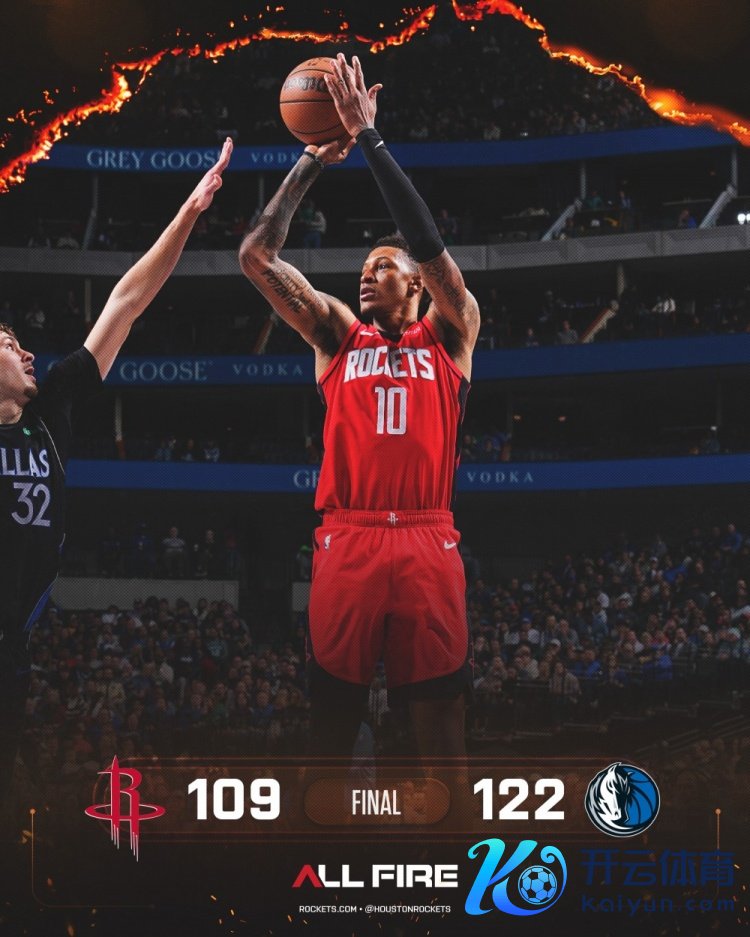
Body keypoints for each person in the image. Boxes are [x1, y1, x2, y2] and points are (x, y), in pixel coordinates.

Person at [239, 54, 480, 758]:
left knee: (442, 733)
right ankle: (321, 832)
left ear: (418, 284)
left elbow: (428, 243)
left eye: (383, 266)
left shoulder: (453, 329)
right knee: (331, 728)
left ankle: (454, 831)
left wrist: (369, 139)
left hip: (429, 538)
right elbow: (257, 257)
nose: (366, 275)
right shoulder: (338, 335)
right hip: (348, 537)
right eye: (363, 268)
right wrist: (313, 158)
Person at [0, 137, 233, 801]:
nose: (28, 353)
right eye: (10, 344)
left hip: (12, 651)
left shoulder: (51, 410)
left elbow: (126, 301)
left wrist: (190, 211)